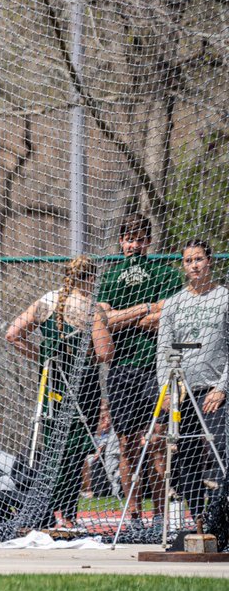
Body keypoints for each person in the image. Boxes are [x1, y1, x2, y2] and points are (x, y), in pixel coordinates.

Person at [5, 256, 114, 528]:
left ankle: (46, 509)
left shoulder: (47, 300)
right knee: (75, 450)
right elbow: (105, 352)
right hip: (82, 384)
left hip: (52, 383)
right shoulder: (90, 308)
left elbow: (13, 334)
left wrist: (43, 357)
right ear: (90, 278)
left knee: (54, 445)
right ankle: (65, 513)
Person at [97, 212, 183, 520]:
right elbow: (104, 318)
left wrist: (127, 317)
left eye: (139, 239)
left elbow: (166, 315)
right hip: (122, 369)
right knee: (126, 444)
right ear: (121, 241)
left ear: (148, 241)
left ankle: (160, 514)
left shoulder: (166, 273)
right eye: (128, 239)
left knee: (158, 440)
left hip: (156, 367)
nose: (134, 245)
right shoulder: (108, 277)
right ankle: (131, 512)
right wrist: (144, 309)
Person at [150, 240, 228, 524]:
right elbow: (163, 351)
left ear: (209, 261)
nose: (194, 265)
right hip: (183, 392)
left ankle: (221, 516)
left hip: (215, 391)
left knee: (221, 451)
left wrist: (221, 388)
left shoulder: (224, 299)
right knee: (187, 458)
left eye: (199, 259)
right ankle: (198, 520)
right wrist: (167, 390)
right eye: (188, 261)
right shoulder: (173, 304)